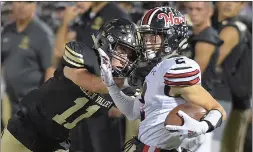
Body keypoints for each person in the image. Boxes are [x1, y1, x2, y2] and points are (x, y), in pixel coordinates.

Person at [1, 18, 142, 152]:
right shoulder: (82, 55)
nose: (125, 60)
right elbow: (94, 85)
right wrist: (127, 82)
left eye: (131, 56)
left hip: (58, 140)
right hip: (28, 127)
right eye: (122, 50)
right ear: (106, 42)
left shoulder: (125, 87)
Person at [99, 6, 227, 152]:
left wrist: (201, 127)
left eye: (153, 36)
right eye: (145, 36)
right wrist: (110, 85)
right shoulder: (156, 68)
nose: (146, 41)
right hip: (145, 145)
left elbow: (217, 110)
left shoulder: (176, 66)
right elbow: (132, 112)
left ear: (172, 37)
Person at [179, 2, 224, 151]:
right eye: (190, 8)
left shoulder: (206, 37)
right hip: (191, 103)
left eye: (199, 9)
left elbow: (193, 76)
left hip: (200, 106)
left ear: (210, 11)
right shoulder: (194, 35)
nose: (193, 13)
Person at [215, 2, 252, 152]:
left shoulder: (232, 29)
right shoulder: (236, 27)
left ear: (242, 5)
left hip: (233, 103)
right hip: (234, 102)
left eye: (236, 0)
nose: (229, 3)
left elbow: (209, 65)